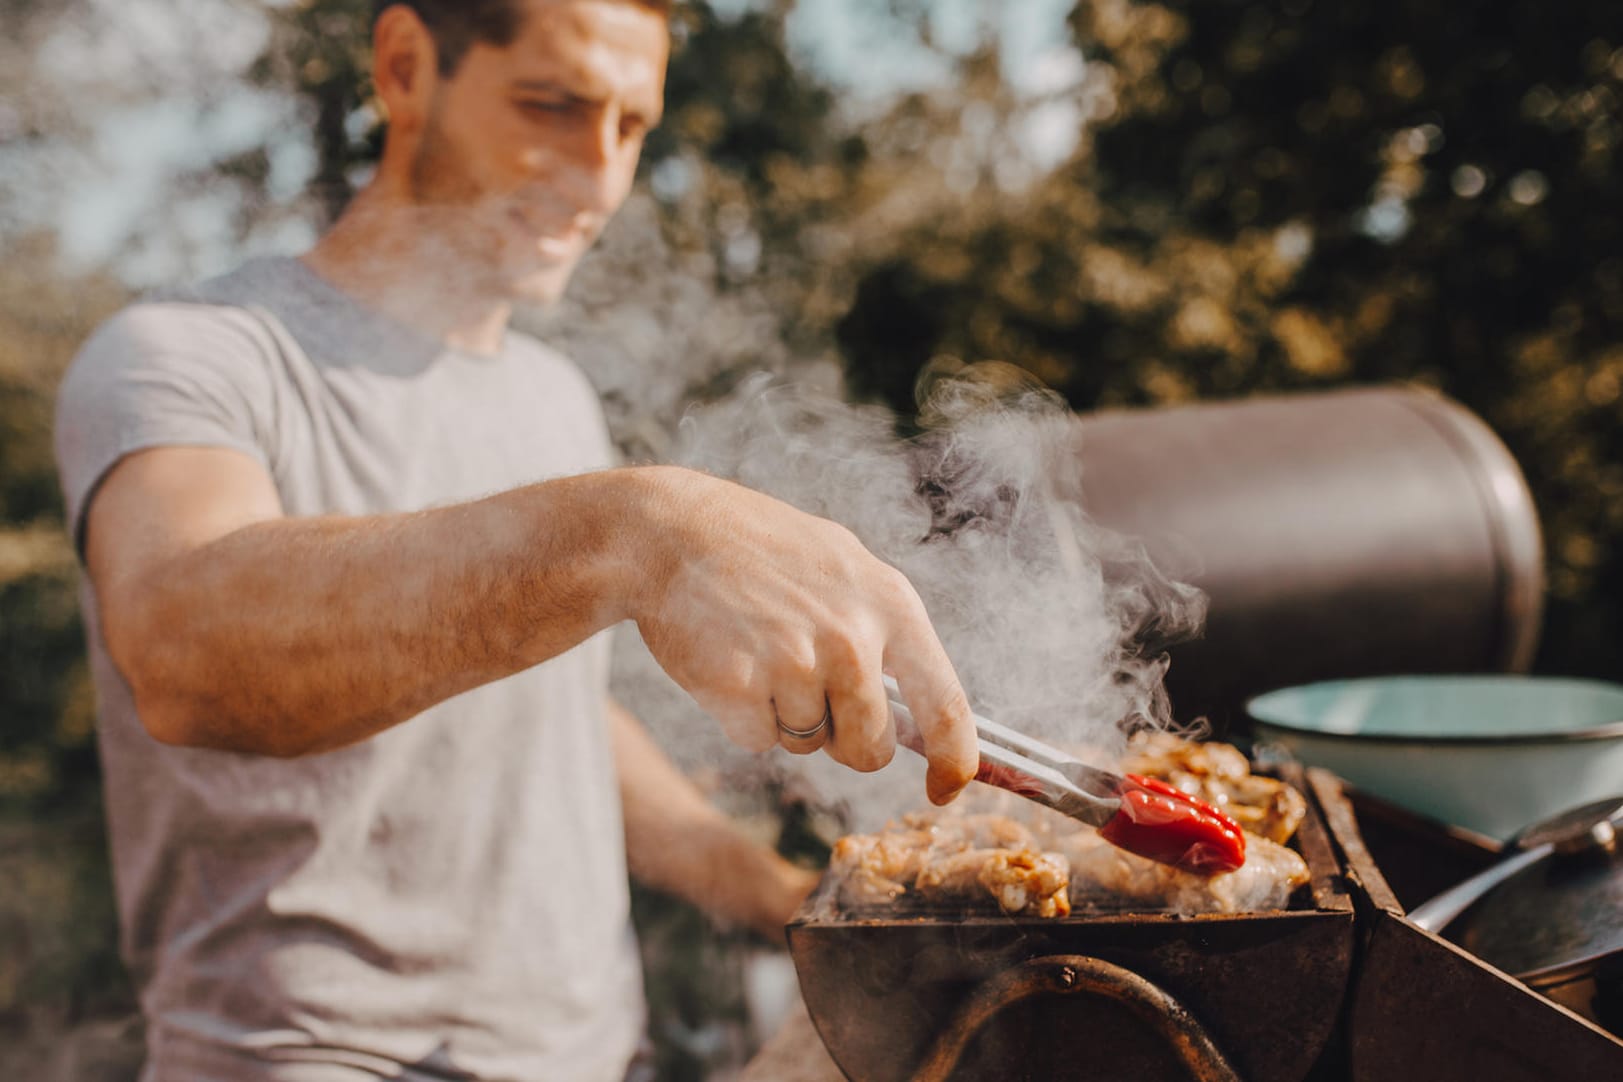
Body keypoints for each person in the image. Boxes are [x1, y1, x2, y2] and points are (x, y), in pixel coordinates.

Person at [51, 1, 979, 1078]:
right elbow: (184, 647)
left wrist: (795, 897)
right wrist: (638, 524)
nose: (599, 178)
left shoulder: (552, 397)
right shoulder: (190, 355)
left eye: (633, 127)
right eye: (554, 104)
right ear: (404, 68)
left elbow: (556, 721)